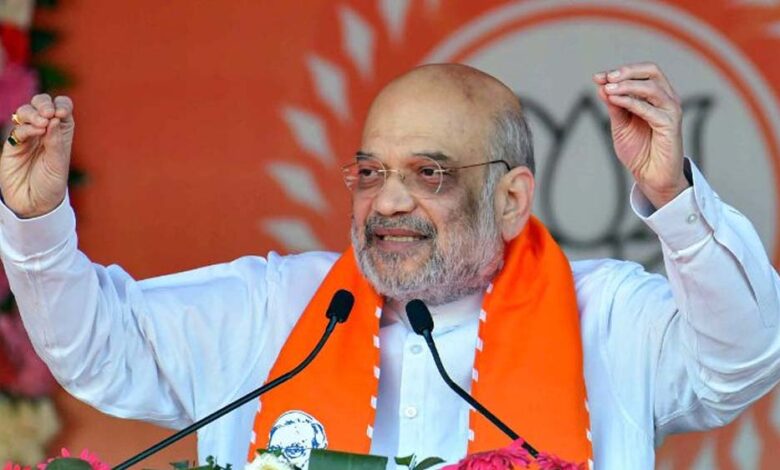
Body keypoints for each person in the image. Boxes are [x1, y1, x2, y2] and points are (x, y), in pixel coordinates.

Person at [0, 62, 778, 470]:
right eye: (370, 173)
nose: (388, 202)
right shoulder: (277, 307)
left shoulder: (605, 316)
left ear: (511, 199)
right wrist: (36, 222)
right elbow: (97, 349)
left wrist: (673, 197)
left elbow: (743, 360)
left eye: (429, 173)